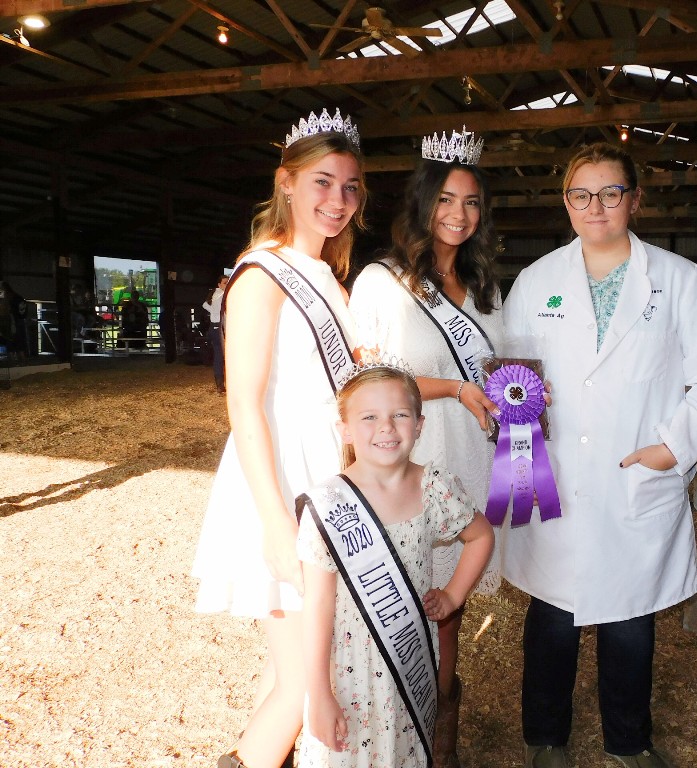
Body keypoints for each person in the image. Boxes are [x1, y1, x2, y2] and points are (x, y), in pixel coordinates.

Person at [501, 142, 697, 768]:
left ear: (635, 199)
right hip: (551, 472)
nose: (596, 206)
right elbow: (510, 370)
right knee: (551, 619)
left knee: (631, 621)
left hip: (635, 470)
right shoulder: (536, 281)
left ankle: (628, 743)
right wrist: (517, 443)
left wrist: (674, 446)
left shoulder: (678, 280)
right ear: (566, 203)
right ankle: (545, 739)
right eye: (581, 194)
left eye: (611, 193)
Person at [190, 108, 367, 768]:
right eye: (323, 182)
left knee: (286, 669)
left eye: (350, 187)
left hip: (324, 476)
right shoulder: (261, 273)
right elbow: (243, 402)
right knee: (306, 681)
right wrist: (273, 522)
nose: (337, 200)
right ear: (286, 182)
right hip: (282, 482)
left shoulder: (330, 279)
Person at [348, 127, 502, 767]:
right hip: (411, 458)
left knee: (448, 606)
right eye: (445, 199)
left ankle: (439, 738)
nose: (458, 215)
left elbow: (498, 373)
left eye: (471, 202)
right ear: (422, 202)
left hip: (469, 456)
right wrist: (457, 389)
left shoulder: (486, 287)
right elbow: (367, 380)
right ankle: (386, 732)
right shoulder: (382, 282)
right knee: (399, 599)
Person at [296, 363, 494, 768]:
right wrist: (319, 692)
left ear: (419, 425)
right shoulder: (328, 505)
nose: (386, 427)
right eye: (369, 417)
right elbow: (317, 606)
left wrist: (453, 595)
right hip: (349, 673)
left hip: (410, 661)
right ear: (345, 430)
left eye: (400, 415)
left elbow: (481, 536)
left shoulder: (434, 487)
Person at [203, 274, 230, 391]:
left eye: (228, 282)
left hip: (216, 326)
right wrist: (215, 314)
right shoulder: (220, 295)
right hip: (218, 328)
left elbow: (204, 305)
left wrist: (214, 313)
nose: (227, 285)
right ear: (219, 285)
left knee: (219, 355)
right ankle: (220, 384)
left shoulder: (217, 294)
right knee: (220, 355)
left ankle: (220, 383)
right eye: (225, 283)